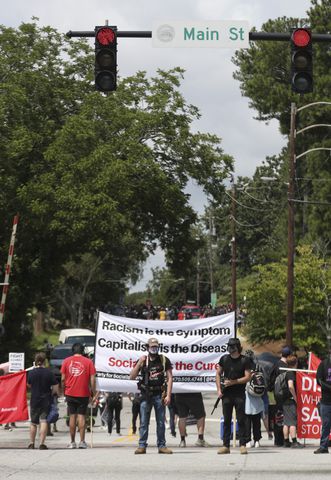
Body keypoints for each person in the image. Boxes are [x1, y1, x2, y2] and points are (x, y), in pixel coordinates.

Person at [130, 337, 173, 454]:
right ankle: (142, 445)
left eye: (155, 346)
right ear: (147, 347)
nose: (154, 348)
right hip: (146, 395)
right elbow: (132, 376)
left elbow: (170, 378)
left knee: (160, 422)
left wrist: (168, 395)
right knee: (144, 421)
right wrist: (139, 363)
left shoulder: (164, 360)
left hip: (159, 394)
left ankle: (162, 446)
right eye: (151, 346)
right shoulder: (143, 360)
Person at [216, 337, 251, 455]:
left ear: (237, 347)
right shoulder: (224, 359)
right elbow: (218, 373)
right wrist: (219, 389)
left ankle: (242, 444)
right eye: (229, 346)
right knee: (226, 419)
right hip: (226, 394)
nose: (230, 348)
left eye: (232, 346)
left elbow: (248, 377)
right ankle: (226, 445)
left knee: (241, 419)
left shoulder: (244, 360)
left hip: (239, 393)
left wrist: (234, 382)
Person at [61, 342, 96, 449]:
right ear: (83, 351)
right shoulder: (88, 362)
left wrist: (64, 390)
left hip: (70, 392)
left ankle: (72, 442)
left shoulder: (66, 361)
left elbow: (62, 379)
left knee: (72, 416)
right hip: (83, 393)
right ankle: (82, 441)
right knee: (81, 416)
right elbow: (93, 379)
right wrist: (92, 392)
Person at [27, 352, 59, 450]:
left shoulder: (31, 372)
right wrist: (53, 393)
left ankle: (32, 443)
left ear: (36, 361)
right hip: (46, 400)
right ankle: (41, 443)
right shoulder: (49, 373)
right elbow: (56, 387)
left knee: (33, 423)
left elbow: (28, 385)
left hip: (34, 400)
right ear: (45, 361)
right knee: (44, 421)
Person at [282, 354, 304, 448]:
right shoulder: (291, 373)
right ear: (296, 363)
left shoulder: (287, 372)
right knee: (292, 422)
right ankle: (294, 441)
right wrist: (295, 397)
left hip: (285, 400)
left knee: (286, 422)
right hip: (290, 400)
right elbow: (290, 386)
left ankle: (286, 441)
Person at [314, 350, 331, 454]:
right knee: (326, 424)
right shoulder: (324, 364)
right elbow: (319, 380)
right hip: (326, 400)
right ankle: (323, 446)